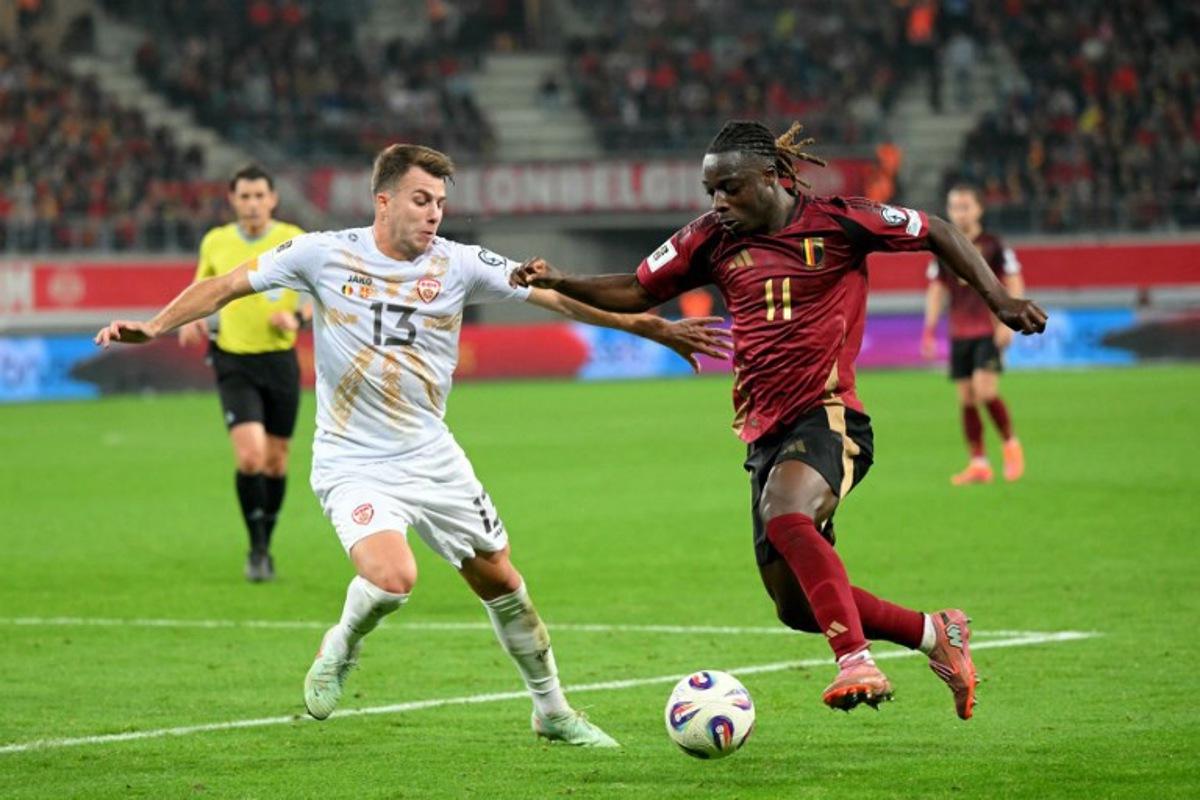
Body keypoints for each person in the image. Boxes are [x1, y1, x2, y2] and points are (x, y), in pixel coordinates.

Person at [95, 143, 730, 746]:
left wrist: (647, 323)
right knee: (395, 578)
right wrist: (155, 326)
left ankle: (553, 711)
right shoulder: (321, 253)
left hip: (433, 456)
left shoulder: (459, 262)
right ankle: (342, 643)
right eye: (422, 200)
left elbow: (557, 297)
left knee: (504, 582)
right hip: (353, 459)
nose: (434, 214)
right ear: (384, 200)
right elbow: (227, 284)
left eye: (440, 204)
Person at [510, 120, 1048, 718]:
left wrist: (999, 298)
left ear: (770, 177)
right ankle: (933, 633)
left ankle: (856, 660)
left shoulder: (842, 220)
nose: (718, 202)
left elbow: (936, 229)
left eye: (730, 188)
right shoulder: (709, 238)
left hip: (829, 415)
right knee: (795, 607)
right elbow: (638, 290)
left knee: (786, 512)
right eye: (710, 190)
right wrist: (563, 280)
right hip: (763, 432)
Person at [179, 165, 307, 582]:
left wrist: (297, 318)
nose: (252, 204)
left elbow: (315, 296)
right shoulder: (216, 242)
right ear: (233, 200)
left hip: (279, 361)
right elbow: (203, 289)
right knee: (250, 455)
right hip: (233, 359)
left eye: (259, 196)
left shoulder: (294, 239)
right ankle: (256, 548)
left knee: (275, 461)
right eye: (244, 196)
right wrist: (189, 319)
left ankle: (266, 541)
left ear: (272, 199)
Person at [922, 184, 1025, 484]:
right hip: (959, 332)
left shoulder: (994, 245)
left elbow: (1014, 280)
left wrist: (1010, 321)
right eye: (955, 207)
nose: (960, 212)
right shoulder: (944, 245)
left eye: (966, 206)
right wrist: (928, 330)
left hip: (988, 330)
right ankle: (979, 463)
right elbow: (937, 289)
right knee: (966, 398)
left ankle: (1010, 443)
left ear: (979, 209)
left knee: (985, 391)